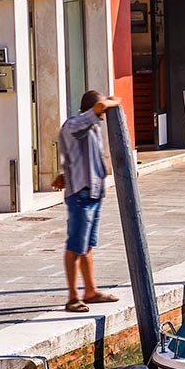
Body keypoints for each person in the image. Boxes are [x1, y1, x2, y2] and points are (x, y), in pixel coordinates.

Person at [55, 90, 124, 313]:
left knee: (87, 246)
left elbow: (77, 157)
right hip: (81, 195)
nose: (102, 119)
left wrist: (65, 174)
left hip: (93, 193)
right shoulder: (74, 124)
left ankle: (91, 291)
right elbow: (98, 109)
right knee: (75, 246)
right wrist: (111, 101)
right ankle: (73, 297)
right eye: (102, 114)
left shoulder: (91, 128)